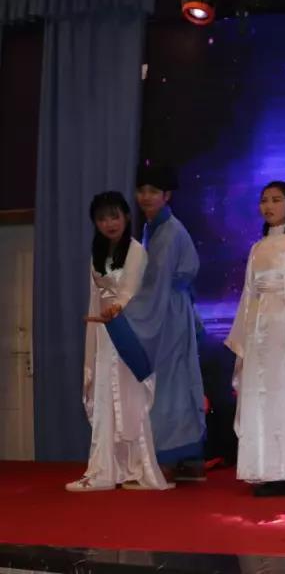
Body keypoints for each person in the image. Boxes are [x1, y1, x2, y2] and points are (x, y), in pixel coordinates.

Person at [67, 192, 171, 492]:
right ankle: (105, 469)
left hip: (127, 331)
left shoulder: (136, 251)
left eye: (114, 216)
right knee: (104, 396)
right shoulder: (98, 252)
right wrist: (94, 329)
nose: (109, 223)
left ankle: (138, 468)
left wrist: (116, 311)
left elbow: (131, 293)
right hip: (103, 332)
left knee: (130, 397)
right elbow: (95, 295)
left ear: (126, 216)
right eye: (102, 218)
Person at [225, 182, 285, 497]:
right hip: (260, 329)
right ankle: (263, 468)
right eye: (264, 200)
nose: (268, 206)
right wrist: (242, 338)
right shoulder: (257, 248)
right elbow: (248, 294)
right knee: (261, 396)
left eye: (277, 200)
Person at [121, 164, 206, 480]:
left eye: (153, 191)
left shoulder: (168, 232)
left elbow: (155, 282)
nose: (146, 197)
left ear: (167, 195)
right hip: (170, 308)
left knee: (170, 384)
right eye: (142, 190)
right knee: (177, 382)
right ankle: (187, 458)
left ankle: (170, 456)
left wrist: (123, 311)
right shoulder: (155, 226)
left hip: (167, 311)